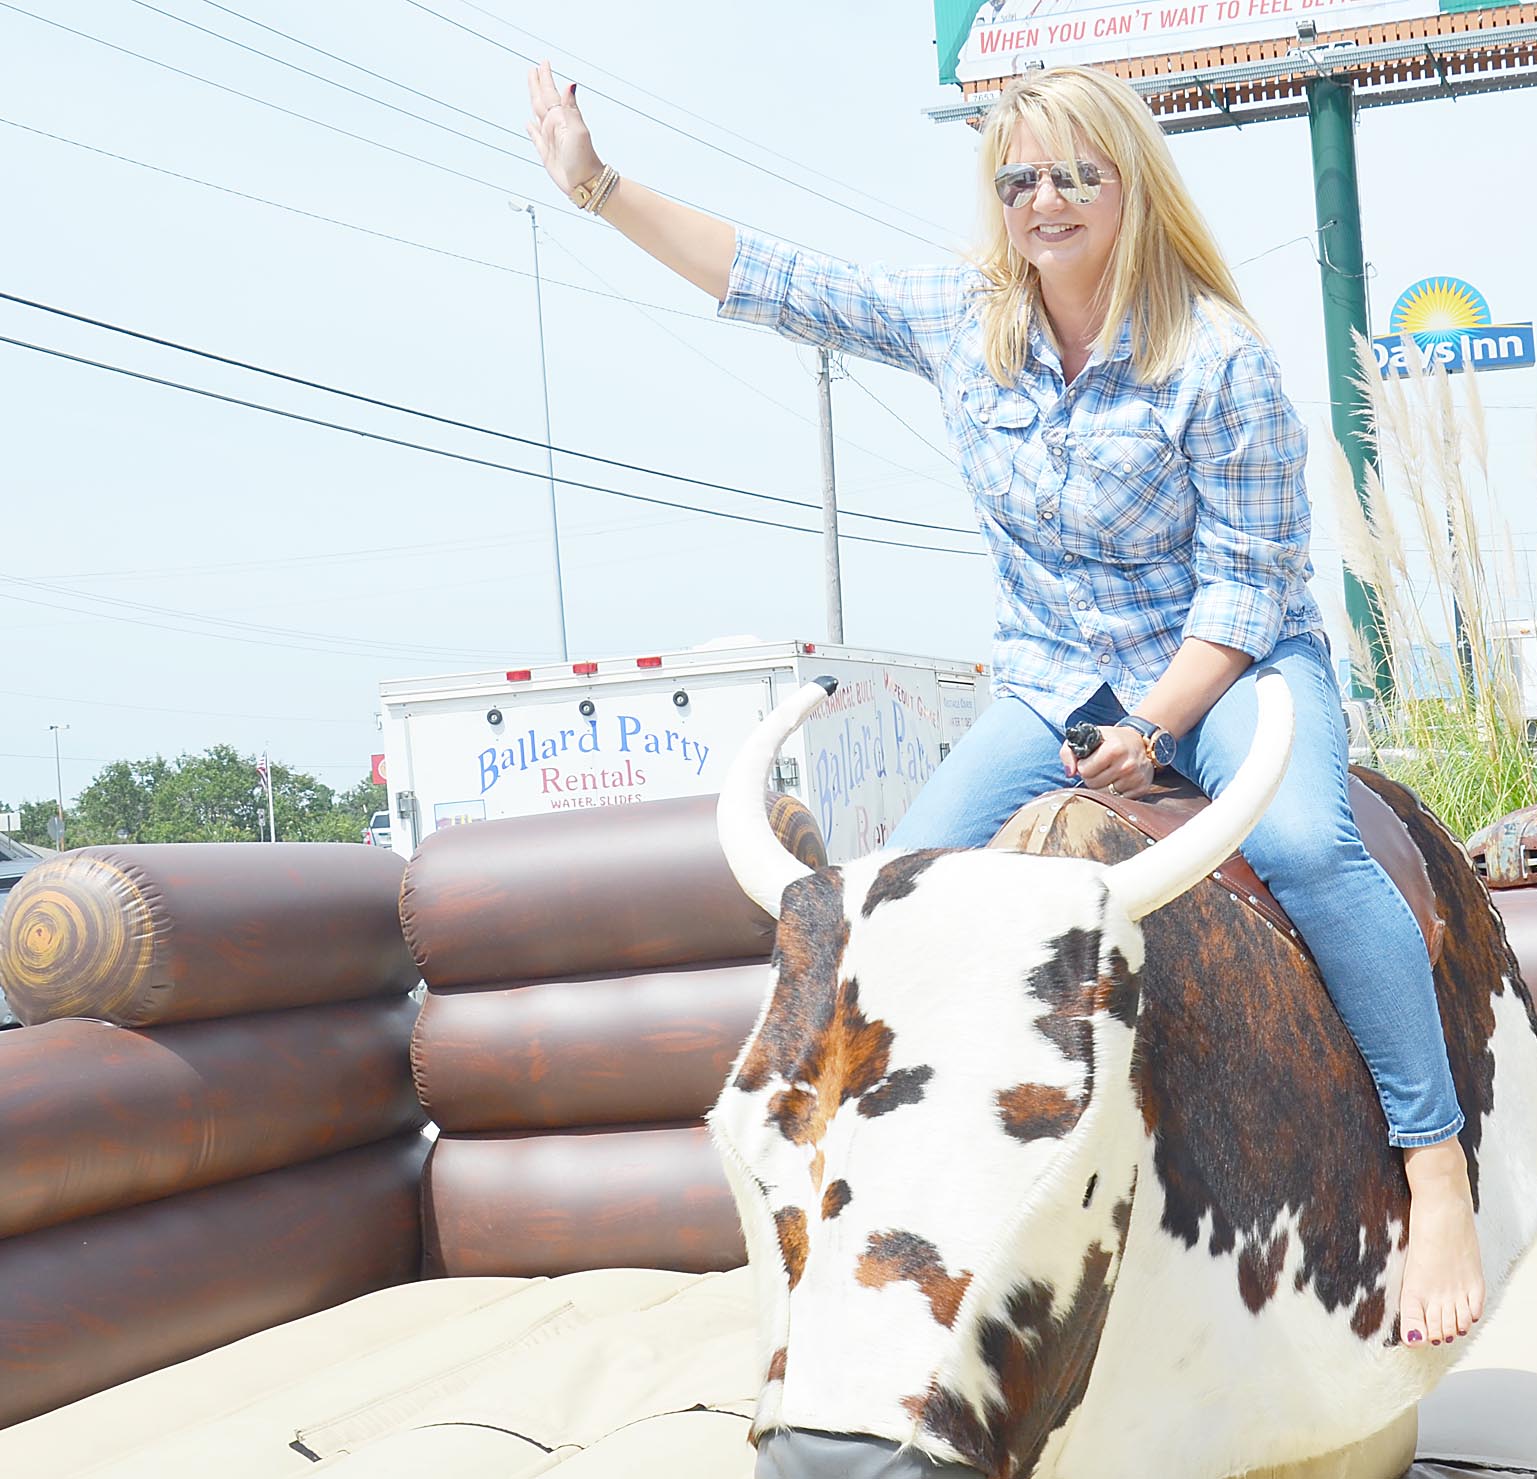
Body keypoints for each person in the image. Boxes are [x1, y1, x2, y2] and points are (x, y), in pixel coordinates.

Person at [524, 58, 1483, 1474]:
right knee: (888, 906)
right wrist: (598, 191)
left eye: (1071, 176)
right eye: (1016, 179)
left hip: (1229, 669)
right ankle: (887, 1213)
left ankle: (1432, 1161)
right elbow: (777, 278)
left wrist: (1154, 731)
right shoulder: (961, 322)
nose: (1041, 201)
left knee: (1298, 847)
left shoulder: (1213, 352)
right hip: (1048, 675)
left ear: (1126, 186)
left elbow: (1243, 588)